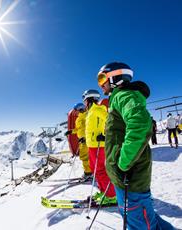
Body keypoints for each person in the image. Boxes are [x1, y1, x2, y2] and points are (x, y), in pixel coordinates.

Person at [97, 61, 174, 229]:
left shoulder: (122, 95)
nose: (100, 84)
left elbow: (139, 123)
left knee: (140, 222)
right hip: (123, 177)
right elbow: (122, 130)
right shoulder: (119, 97)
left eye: (102, 78)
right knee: (143, 217)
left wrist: (123, 163)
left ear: (116, 78)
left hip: (130, 178)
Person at [82, 89, 116, 204]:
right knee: (95, 170)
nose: (84, 103)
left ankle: (111, 196)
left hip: (98, 145)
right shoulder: (91, 111)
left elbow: (111, 120)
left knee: (100, 170)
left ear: (89, 99)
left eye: (85, 100)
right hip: (92, 145)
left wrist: (105, 136)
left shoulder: (97, 110)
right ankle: (104, 192)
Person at [66, 103, 92, 180]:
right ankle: (89, 171)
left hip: (87, 139)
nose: (75, 112)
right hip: (82, 140)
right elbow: (78, 129)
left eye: (76, 111)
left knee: (85, 157)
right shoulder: (78, 119)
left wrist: (86, 137)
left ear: (80, 109)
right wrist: (71, 131)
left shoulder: (88, 116)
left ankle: (88, 173)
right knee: (84, 156)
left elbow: (91, 128)